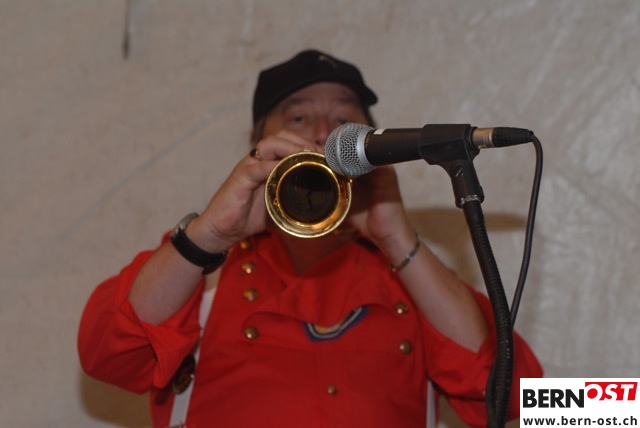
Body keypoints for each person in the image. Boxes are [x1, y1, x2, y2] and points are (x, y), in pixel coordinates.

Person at [78, 49, 542, 428]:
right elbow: (105, 356)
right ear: (256, 142)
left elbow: (528, 404)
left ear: (368, 149)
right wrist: (212, 233)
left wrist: (399, 242)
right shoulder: (199, 265)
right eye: (298, 117)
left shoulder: (413, 278)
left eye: (343, 121)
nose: (322, 133)